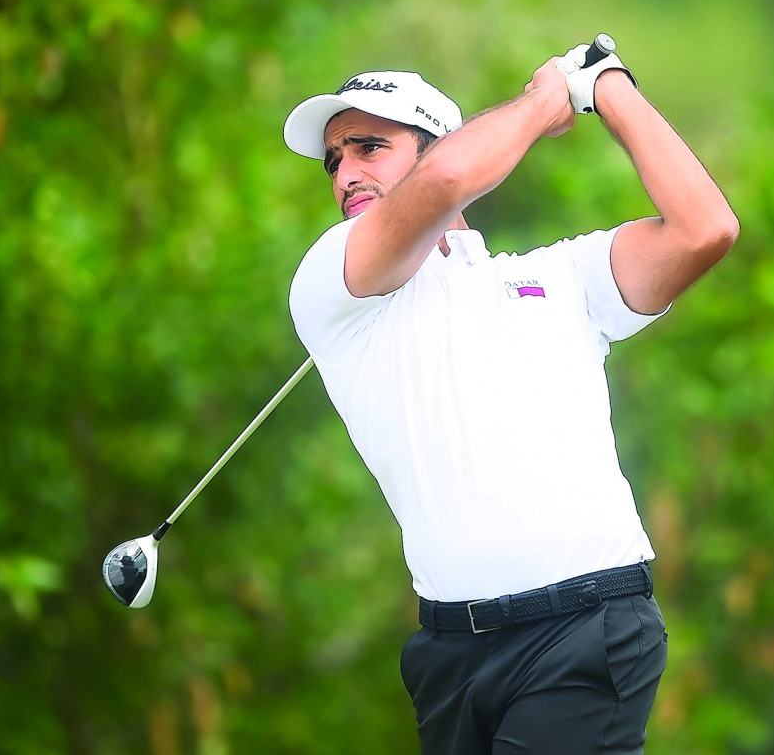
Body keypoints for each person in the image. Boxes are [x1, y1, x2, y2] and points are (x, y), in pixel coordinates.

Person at [283, 39, 738, 754]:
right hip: (451, 655)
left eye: (370, 146)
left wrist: (604, 85)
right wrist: (545, 98)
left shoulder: (561, 277)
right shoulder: (331, 287)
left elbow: (704, 228)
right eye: (334, 159)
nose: (345, 172)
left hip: (587, 631)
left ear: (435, 146)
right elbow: (445, 182)